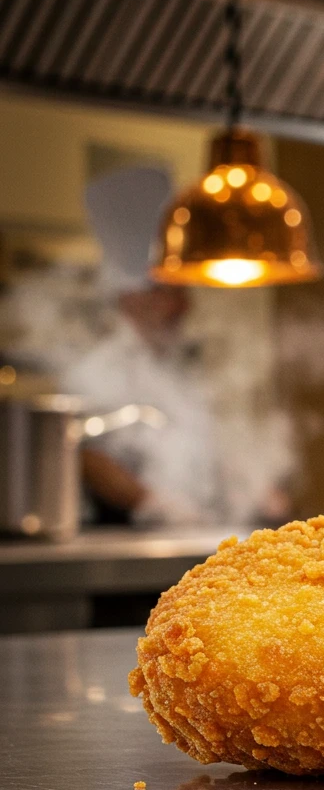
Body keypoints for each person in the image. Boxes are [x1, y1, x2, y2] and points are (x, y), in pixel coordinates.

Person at [63, 167, 220, 525]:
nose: (183, 306)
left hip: (191, 530)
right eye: (169, 293)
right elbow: (90, 460)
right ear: (129, 299)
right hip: (124, 536)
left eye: (185, 292)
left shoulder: (178, 367)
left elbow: (206, 449)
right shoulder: (96, 371)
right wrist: (160, 506)